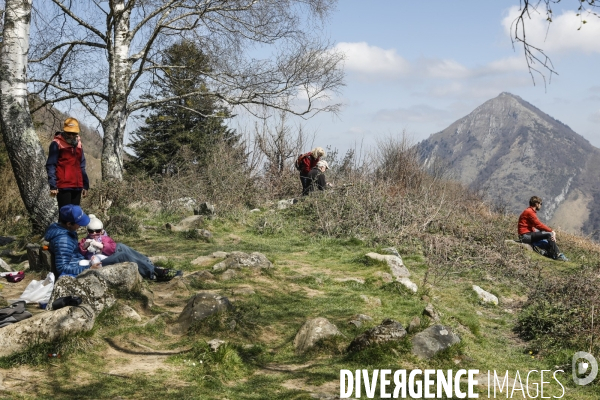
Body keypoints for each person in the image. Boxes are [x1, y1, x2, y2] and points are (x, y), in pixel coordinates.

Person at [45, 205, 181, 280]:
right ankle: (153, 274)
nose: (80, 227)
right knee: (122, 256)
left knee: (120, 246)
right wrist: (89, 268)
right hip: (86, 267)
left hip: (88, 261)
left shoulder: (67, 231)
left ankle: (151, 267)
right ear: (69, 223)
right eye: (78, 224)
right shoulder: (63, 240)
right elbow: (62, 268)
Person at [46, 117, 90, 210]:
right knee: (65, 218)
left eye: (73, 133)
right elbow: (51, 165)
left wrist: (85, 185)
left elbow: (82, 166)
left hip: (78, 187)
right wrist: (53, 185)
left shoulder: (79, 144)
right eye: (68, 133)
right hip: (63, 186)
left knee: (74, 217)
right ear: (64, 131)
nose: (71, 135)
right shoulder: (56, 143)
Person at [517, 196, 568, 261]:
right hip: (525, 236)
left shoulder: (529, 211)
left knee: (546, 240)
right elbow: (538, 225)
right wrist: (552, 231)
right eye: (540, 204)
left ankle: (550, 254)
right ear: (536, 204)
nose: (541, 206)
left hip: (526, 234)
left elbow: (536, 226)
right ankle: (558, 255)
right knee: (548, 235)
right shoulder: (529, 212)